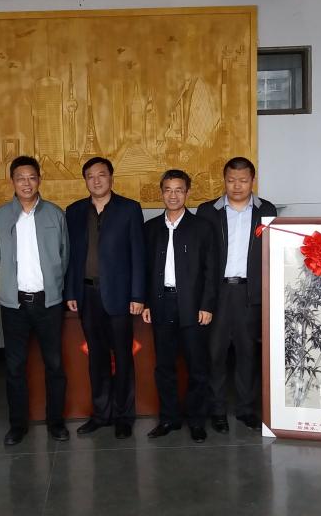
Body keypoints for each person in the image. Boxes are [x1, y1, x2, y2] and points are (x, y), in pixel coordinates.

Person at [0, 156, 70, 445]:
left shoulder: (55, 214)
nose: (26, 183)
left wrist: (56, 286)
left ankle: (56, 423)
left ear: (39, 180)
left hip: (48, 302)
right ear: (12, 181)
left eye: (32, 177)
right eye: (20, 178)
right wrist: (8, 286)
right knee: (14, 367)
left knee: (55, 364)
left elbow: (64, 255)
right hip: (14, 304)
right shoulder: (1, 216)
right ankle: (18, 425)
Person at [65, 157, 146, 440]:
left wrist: (138, 294)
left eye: (101, 175)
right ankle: (101, 414)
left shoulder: (129, 209)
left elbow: (138, 254)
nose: (96, 180)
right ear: (85, 180)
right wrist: (71, 291)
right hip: (87, 294)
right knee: (96, 358)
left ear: (111, 177)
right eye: (90, 176)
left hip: (120, 296)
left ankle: (124, 416)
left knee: (123, 357)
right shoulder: (74, 211)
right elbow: (71, 256)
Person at [196, 157, 277, 434]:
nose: (237, 186)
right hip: (217, 293)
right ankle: (217, 410)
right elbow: (200, 257)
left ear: (253, 180)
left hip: (249, 293)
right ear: (224, 180)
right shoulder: (208, 211)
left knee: (247, 354)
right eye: (231, 180)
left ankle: (245, 410)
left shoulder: (266, 210)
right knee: (215, 354)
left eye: (243, 181)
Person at [142, 170, 218, 443]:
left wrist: (207, 305)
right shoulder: (151, 228)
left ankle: (196, 421)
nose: (173, 195)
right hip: (161, 303)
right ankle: (169, 418)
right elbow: (145, 269)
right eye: (168, 190)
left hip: (193, 306)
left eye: (179, 190)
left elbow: (211, 270)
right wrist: (147, 302)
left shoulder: (202, 228)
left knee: (197, 366)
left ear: (187, 192)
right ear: (161, 192)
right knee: (164, 366)